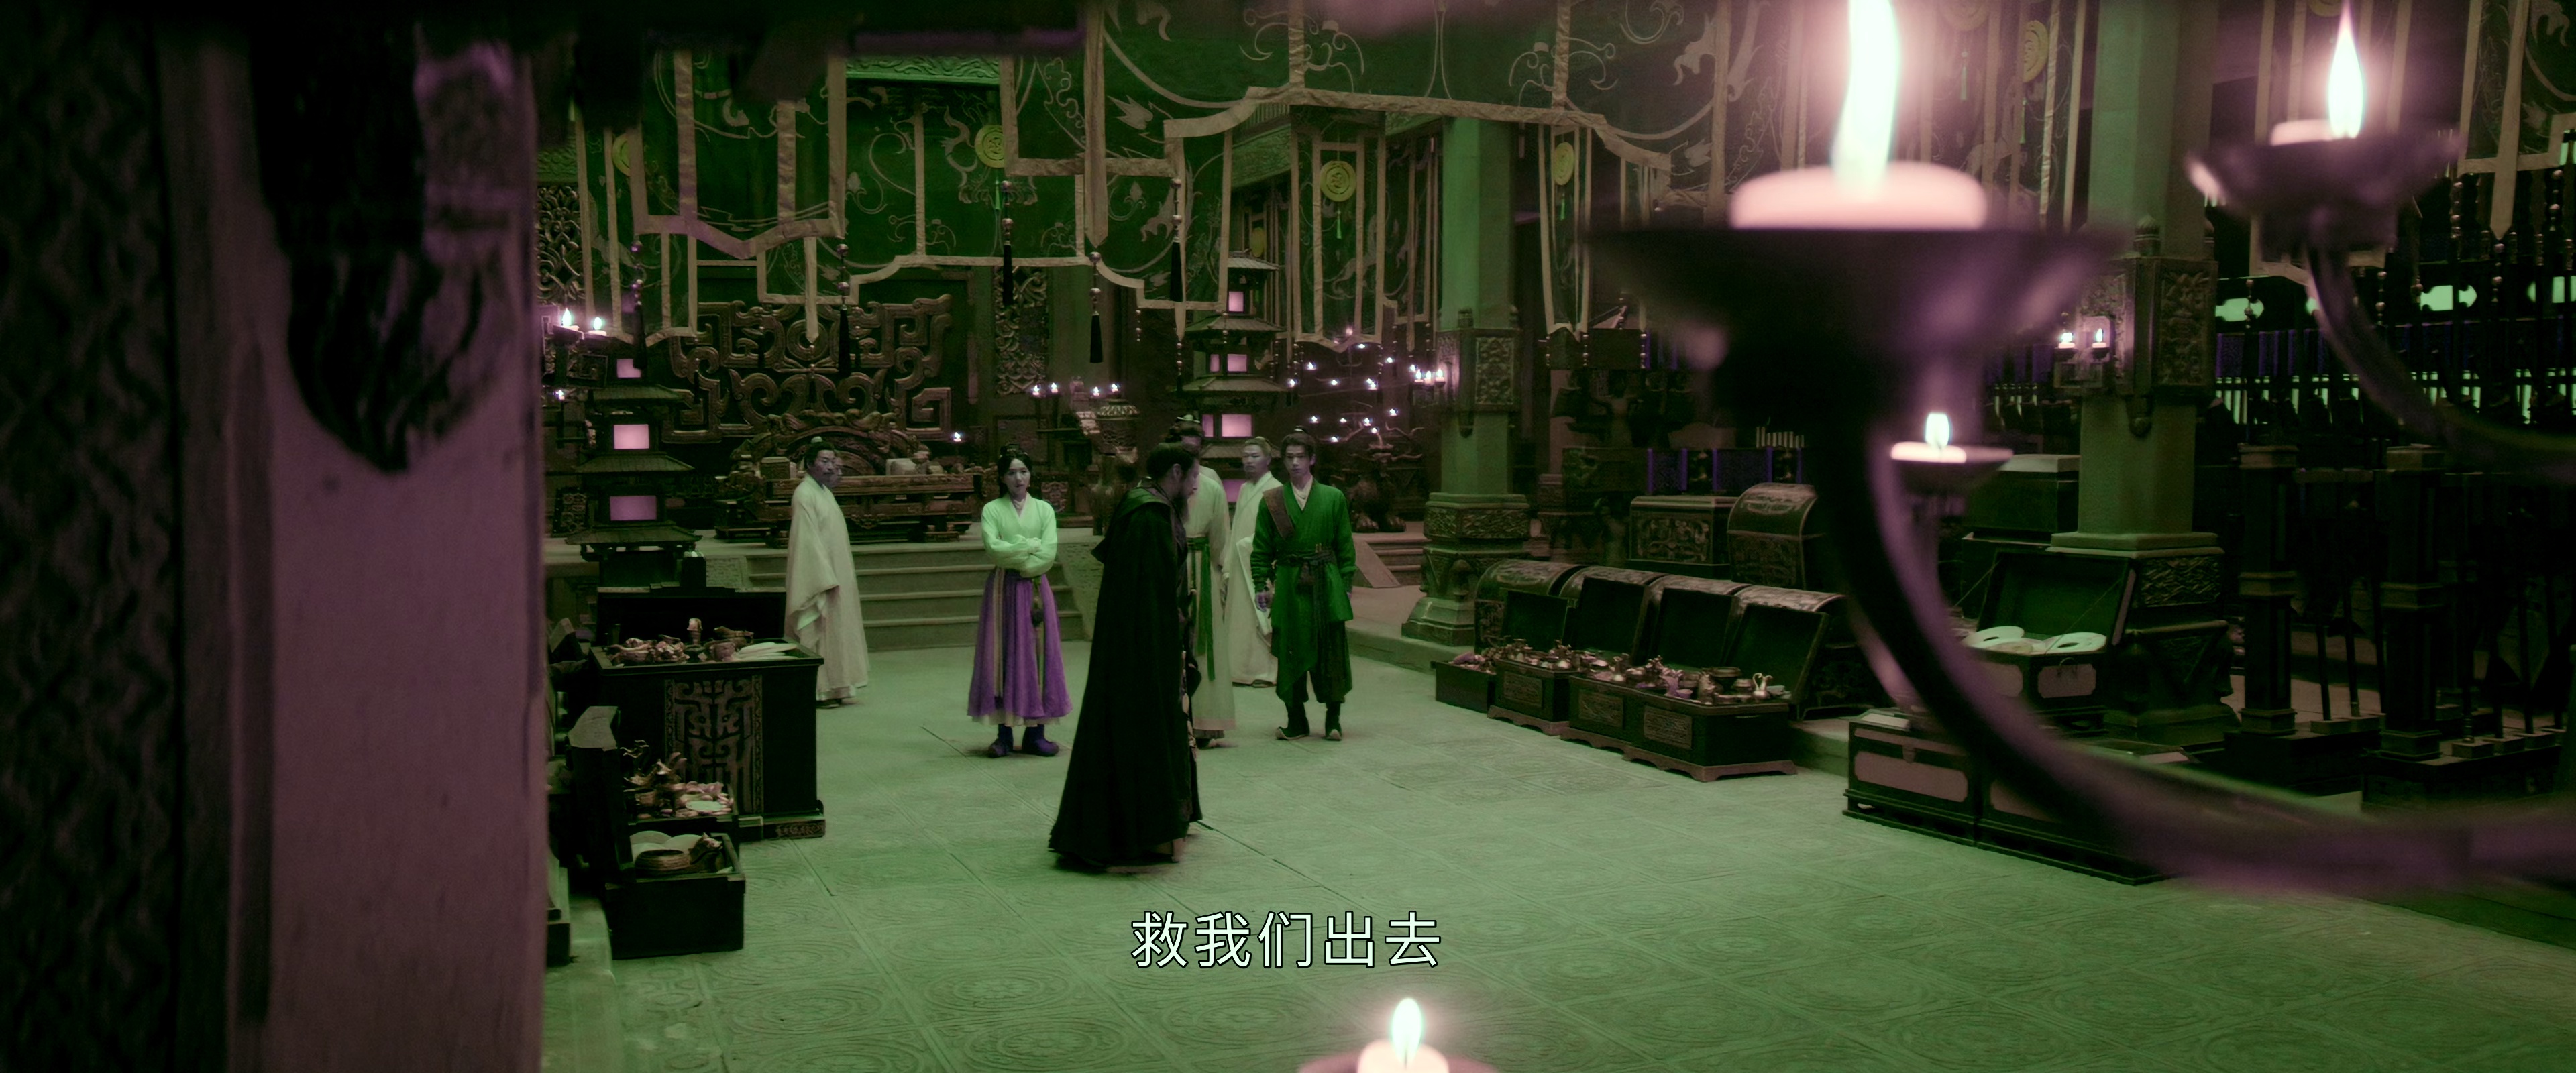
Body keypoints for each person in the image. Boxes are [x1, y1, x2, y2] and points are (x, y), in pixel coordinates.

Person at [1049, 441, 1203, 868]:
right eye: (1193, 476)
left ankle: (1154, 828)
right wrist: (1164, 644)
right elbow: (1147, 596)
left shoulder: (1148, 505)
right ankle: (1144, 832)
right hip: (1141, 647)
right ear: (1176, 473)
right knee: (1141, 727)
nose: (1196, 486)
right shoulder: (1148, 515)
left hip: (1145, 640)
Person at [1251, 432, 1356, 740]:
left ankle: (1333, 720)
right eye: (1289, 457)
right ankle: (1296, 719)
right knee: (1290, 649)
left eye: (1301, 457)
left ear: (1312, 459)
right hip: (1289, 581)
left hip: (1326, 580)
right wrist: (1260, 583)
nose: (1295, 463)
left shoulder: (1333, 497)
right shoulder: (1272, 501)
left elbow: (1345, 545)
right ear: (1283, 461)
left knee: (1330, 650)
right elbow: (1261, 547)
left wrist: (1346, 582)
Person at [970, 445, 1071, 757]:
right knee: (1003, 653)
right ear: (1002, 477)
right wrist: (1029, 546)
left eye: (1023, 472)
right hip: (1003, 589)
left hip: (1036, 588)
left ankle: (1036, 734)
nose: (1018, 478)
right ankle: (1003, 734)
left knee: (1037, 654)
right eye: (1012, 473)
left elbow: (1049, 552)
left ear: (1031, 475)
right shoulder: (992, 510)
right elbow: (994, 549)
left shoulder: (1044, 510)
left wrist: (1022, 557)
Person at [1167, 418, 1236, 748]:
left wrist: (1222, 576)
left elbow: (1222, 539)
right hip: (1173, 567)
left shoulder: (1211, 487)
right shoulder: (1163, 487)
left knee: (1204, 647)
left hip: (1201, 567)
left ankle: (1205, 720)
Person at [784, 441, 870, 704]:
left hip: (836, 570)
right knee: (821, 628)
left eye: (833, 461)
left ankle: (838, 685)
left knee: (838, 629)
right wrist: (822, 578)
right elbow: (806, 541)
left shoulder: (823, 492)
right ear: (810, 464)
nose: (831, 467)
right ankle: (820, 689)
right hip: (821, 576)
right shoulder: (804, 494)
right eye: (824, 461)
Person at [1224, 436, 1283, 687]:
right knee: (1241, 619)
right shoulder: (1245, 489)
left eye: (1255, 456)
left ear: (1268, 460)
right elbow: (1235, 528)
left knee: (1261, 619)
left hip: (1260, 562)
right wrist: (1228, 563)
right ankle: (1239, 669)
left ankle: (1265, 672)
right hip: (1240, 563)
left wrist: (1252, 549)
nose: (1248, 461)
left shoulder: (1276, 489)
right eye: (1246, 456)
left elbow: (1279, 532)